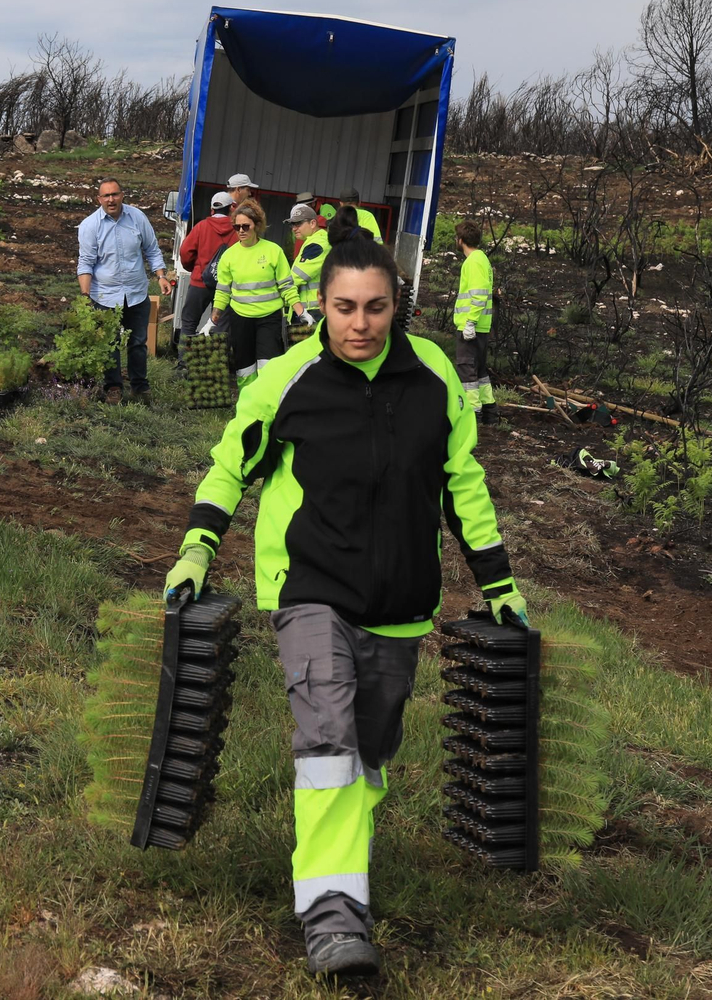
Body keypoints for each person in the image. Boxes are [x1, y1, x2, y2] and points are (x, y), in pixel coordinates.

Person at [166, 225, 525, 980]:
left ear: (400, 306)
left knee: (367, 757)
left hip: (401, 602)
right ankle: (333, 920)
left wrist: (498, 582)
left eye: (375, 308)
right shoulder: (289, 381)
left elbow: (463, 485)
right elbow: (231, 465)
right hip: (310, 590)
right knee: (327, 745)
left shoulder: (434, 381)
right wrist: (197, 547)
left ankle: (340, 875)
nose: (359, 324)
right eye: (343, 308)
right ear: (318, 308)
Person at [77, 177, 170, 404]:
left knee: (138, 342)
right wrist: (85, 296)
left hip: (136, 294)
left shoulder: (137, 218)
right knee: (109, 344)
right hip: (105, 296)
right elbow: (86, 262)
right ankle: (114, 388)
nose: (111, 199)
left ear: (122, 195)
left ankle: (140, 388)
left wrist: (161, 276)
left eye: (115, 194)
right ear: (98, 199)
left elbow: (152, 249)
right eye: (106, 196)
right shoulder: (90, 226)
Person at [208, 199, 306, 385]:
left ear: (257, 226)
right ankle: (247, 409)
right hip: (240, 318)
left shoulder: (273, 251)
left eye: (246, 226)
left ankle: (267, 410)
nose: (241, 231)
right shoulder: (229, 256)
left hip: (269, 318)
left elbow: (287, 286)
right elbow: (222, 291)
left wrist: (301, 311)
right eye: (237, 227)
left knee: (268, 368)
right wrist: (212, 319)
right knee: (244, 369)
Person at [176, 191, 237, 339]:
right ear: (231, 208)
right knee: (221, 329)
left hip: (200, 283)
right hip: (227, 287)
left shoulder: (201, 227)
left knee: (189, 323)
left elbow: (185, 251)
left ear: (212, 210)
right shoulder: (238, 230)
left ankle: (185, 361)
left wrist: (195, 269)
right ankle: (216, 361)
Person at [454, 220, 496, 423]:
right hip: (480, 325)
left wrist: (469, 322)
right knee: (479, 371)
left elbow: (478, 294)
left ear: (460, 240)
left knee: (466, 369)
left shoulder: (473, 262)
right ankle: (489, 411)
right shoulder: (482, 259)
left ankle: (473, 416)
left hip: (472, 326)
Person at [286, 203, 329, 321]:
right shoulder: (314, 241)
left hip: (314, 311)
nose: (294, 228)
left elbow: (296, 277)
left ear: (313, 223)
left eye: (298, 224)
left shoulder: (318, 243)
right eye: (292, 224)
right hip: (312, 309)